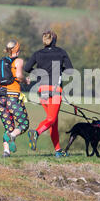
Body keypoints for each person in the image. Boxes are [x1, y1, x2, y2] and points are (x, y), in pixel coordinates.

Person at [24, 30, 73, 158]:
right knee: (51, 119)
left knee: (53, 121)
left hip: (42, 90)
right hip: (55, 90)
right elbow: (70, 70)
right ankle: (36, 133)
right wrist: (60, 70)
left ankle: (58, 151)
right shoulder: (61, 52)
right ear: (55, 40)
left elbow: (26, 68)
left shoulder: (38, 53)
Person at [0, 40, 30, 158]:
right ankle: (12, 136)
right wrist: (26, 80)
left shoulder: (1, 62)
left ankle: (6, 151)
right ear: (17, 50)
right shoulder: (19, 61)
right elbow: (19, 76)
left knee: (8, 126)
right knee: (24, 123)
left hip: (0, 97)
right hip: (13, 97)